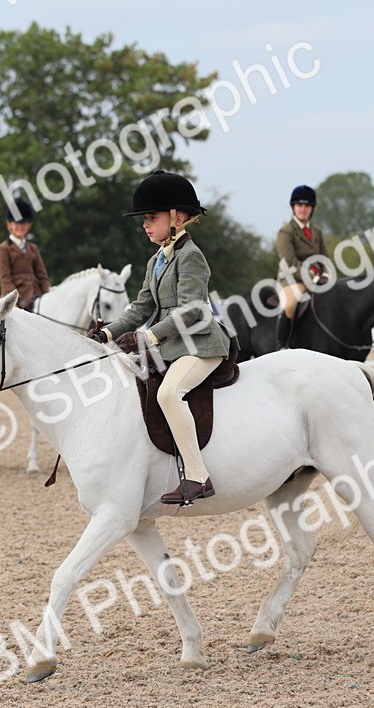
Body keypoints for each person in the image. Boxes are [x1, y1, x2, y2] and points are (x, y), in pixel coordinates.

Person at [91, 169, 231, 505]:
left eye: (151, 217)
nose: (145, 224)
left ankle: (198, 476)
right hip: (174, 344)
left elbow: (193, 311)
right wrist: (107, 332)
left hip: (201, 344)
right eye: (144, 218)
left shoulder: (191, 256)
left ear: (178, 218)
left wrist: (149, 338)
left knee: (168, 394)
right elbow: (140, 307)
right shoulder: (156, 259)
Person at [274, 184, 327, 349]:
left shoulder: (317, 231)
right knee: (290, 305)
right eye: (299, 205)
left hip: (318, 279)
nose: (303, 209)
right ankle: (281, 344)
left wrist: (326, 275)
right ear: (293, 207)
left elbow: (324, 257)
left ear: (312, 208)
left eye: (307, 206)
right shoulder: (286, 232)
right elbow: (291, 263)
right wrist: (314, 278)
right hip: (292, 279)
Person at [0, 198, 51, 312]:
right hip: (16, 299)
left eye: (24, 223)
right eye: (17, 223)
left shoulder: (33, 248)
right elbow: (5, 279)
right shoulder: (3, 249)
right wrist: (15, 300)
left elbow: (42, 275)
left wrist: (48, 295)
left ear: (29, 225)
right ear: (9, 224)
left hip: (36, 297)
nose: (20, 227)